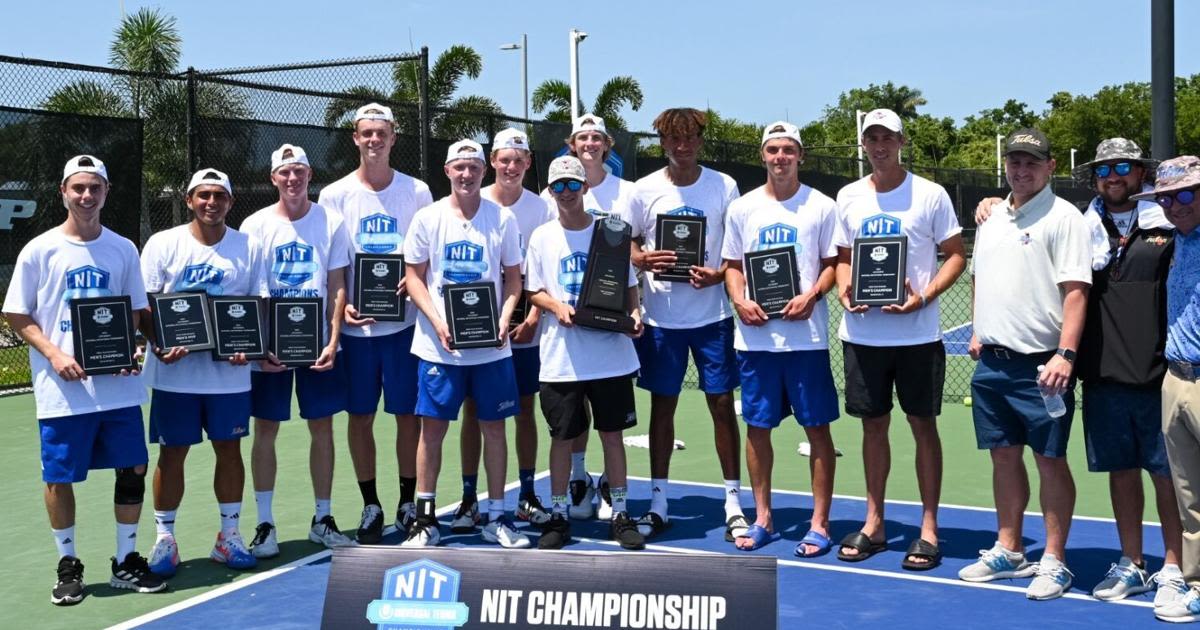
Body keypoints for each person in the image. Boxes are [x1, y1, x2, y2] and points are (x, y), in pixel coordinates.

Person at [977, 138, 1184, 606]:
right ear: (1094, 178)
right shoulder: (1081, 224)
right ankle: (1133, 562)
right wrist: (992, 203)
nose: (1114, 176)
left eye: (1125, 167)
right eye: (1105, 169)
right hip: (1104, 375)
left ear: (1141, 173)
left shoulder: (1167, 224)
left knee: (1167, 475)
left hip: (1160, 374)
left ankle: (1174, 567)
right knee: (1122, 473)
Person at [3, 155, 166, 604]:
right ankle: (68, 564)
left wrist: (135, 347)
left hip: (117, 388)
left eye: (95, 188)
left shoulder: (123, 248)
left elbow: (134, 312)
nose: (87, 195)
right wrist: (55, 354)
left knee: (132, 467)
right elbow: (17, 313)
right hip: (62, 391)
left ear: (106, 192)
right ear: (64, 192)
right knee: (60, 477)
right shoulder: (39, 249)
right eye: (78, 188)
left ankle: (126, 560)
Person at [832, 108, 966, 569]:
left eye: (888, 137)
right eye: (872, 138)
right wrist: (845, 290)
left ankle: (929, 527)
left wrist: (924, 296)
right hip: (863, 335)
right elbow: (844, 257)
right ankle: (875, 522)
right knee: (872, 427)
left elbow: (955, 255)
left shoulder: (930, 195)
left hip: (918, 334)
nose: (880, 145)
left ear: (902, 141)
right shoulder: (848, 196)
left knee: (922, 426)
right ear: (864, 144)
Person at [961, 128, 1091, 601]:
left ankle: (1054, 560)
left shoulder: (1064, 217)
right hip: (992, 366)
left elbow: (1076, 291)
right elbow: (979, 276)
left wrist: (1065, 354)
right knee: (1003, 456)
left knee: (1050, 461)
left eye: (1032, 162)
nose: (1022, 169)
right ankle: (1010, 549)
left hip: (1043, 368)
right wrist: (978, 327)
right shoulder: (992, 217)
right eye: (1015, 161)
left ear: (1050, 167)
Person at [400, 139, 528, 549]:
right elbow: (415, 277)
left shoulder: (503, 219)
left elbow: (513, 278)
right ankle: (425, 521)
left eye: (474, 167)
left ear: (483, 171)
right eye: (460, 167)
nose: (467, 174)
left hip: (491, 348)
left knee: (494, 429)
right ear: (447, 171)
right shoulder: (427, 218)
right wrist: (438, 322)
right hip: (440, 348)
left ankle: (496, 517)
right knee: (432, 431)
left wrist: (505, 320)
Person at [626, 107, 747, 541]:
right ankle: (659, 501)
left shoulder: (724, 186)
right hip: (660, 317)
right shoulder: (643, 190)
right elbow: (629, 241)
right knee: (663, 406)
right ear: (662, 142)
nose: (682, 146)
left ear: (699, 140)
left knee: (720, 404)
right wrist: (640, 258)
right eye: (674, 139)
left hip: (713, 316)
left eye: (690, 138)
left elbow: (737, 243)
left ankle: (733, 501)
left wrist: (720, 273)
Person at [317, 103, 432, 544]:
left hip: (404, 328)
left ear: (393, 137)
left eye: (381, 133)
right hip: (356, 333)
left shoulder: (417, 191)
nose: (374, 140)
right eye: (366, 133)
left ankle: (406, 501)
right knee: (360, 417)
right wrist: (341, 305)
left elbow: (420, 257)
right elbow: (336, 264)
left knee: (407, 416)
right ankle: (370, 504)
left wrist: (411, 283)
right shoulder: (334, 195)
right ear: (355, 137)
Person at [722, 123, 840, 553]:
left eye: (788, 149)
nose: (780, 157)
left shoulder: (822, 206)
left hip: (806, 340)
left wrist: (812, 294)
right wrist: (739, 301)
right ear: (763, 156)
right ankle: (763, 519)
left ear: (800, 156)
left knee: (817, 430)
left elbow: (833, 263)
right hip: (755, 341)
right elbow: (732, 265)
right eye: (772, 150)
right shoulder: (743, 208)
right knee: (757, 429)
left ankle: (820, 524)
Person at [142, 169, 259, 577]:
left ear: (230, 202)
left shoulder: (247, 245)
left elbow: (256, 304)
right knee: (171, 454)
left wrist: (249, 345)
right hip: (175, 377)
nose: (212, 203)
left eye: (220, 196)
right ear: (190, 199)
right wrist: (159, 344)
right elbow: (147, 307)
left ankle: (228, 537)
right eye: (204, 195)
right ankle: (164, 539)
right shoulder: (163, 243)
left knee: (230, 451)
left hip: (229, 377)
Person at [525, 155, 645, 550]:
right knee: (563, 438)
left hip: (610, 354)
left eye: (572, 185)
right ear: (550, 191)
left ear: (585, 188)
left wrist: (635, 312)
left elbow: (628, 285)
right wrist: (556, 307)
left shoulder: (611, 233)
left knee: (612, 435)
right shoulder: (542, 236)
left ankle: (622, 512)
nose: (565, 193)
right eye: (558, 186)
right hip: (562, 358)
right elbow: (534, 290)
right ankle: (558, 515)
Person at [240, 144, 355, 557]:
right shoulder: (254, 225)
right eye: (285, 173)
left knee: (322, 427)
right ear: (274, 178)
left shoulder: (331, 221)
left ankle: (322, 519)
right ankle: (265, 523)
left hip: (318, 345)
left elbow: (336, 282)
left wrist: (334, 337)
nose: (293, 179)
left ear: (310, 176)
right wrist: (260, 346)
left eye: (300, 172)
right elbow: (253, 290)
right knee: (265, 430)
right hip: (271, 348)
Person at [455, 128, 557, 534]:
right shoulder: (473, 204)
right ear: (492, 163)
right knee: (474, 411)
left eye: (518, 160)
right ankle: (468, 497)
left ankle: (528, 494)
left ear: (528, 163)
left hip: (526, 326)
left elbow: (543, 271)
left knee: (525, 408)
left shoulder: (542, 209)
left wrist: (532, 318)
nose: (510, 166)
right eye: (503, 159)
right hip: (474, 328)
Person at [1136, 156, 1200, 623]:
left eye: (1184, 194)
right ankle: (1197, 586)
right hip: (1174, 381)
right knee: (1190, 498)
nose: (1174, 206)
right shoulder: (1174, 242)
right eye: (1165, 198)